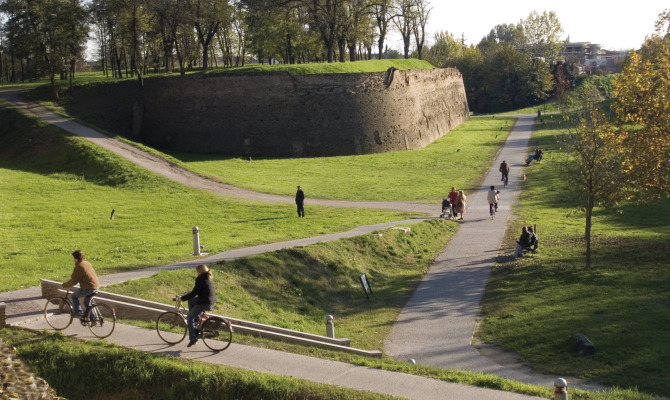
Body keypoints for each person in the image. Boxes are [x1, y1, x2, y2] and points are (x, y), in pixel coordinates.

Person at [178, 264, 217, 347]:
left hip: (204, 303)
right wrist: (189, 295)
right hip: (211, 302)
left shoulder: (200, 279)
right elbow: (198, 291)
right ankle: (196, 321)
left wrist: (182, 298)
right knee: (191, 301)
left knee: (189, 318)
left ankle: (193, 338)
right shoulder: (208, 278)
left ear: (199, 271)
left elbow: (194, 293)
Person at [62, 250, 99, 320]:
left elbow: (74, 280)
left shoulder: (79, 267)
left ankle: (78, 313)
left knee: (73, 296)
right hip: (95, 286)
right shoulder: (87, 263)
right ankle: (94, 319)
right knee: (86, 302)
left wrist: (65, 285)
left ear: (75, 259)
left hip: (88, 288)